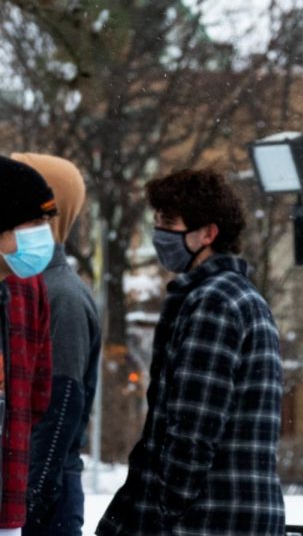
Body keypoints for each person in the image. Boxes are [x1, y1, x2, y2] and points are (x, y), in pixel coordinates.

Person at [96, 168, 284, 536]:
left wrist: (167, 506)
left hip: (207, 519)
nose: (159, 234)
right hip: (233, 512)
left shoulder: (212, 302)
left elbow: (193, 427)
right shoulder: (240, 296)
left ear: (208, 233)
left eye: (169, 222)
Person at [14, 154, 101, 536]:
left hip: (44, 504)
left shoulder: (61, 296)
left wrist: (27, 506)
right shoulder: (20, 287)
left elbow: (60, 411)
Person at [0, 156, 55, 536]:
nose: (43, 236)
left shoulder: (27, 284)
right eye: (33, 223)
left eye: (47, 223)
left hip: (7, 500)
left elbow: (39, 391)